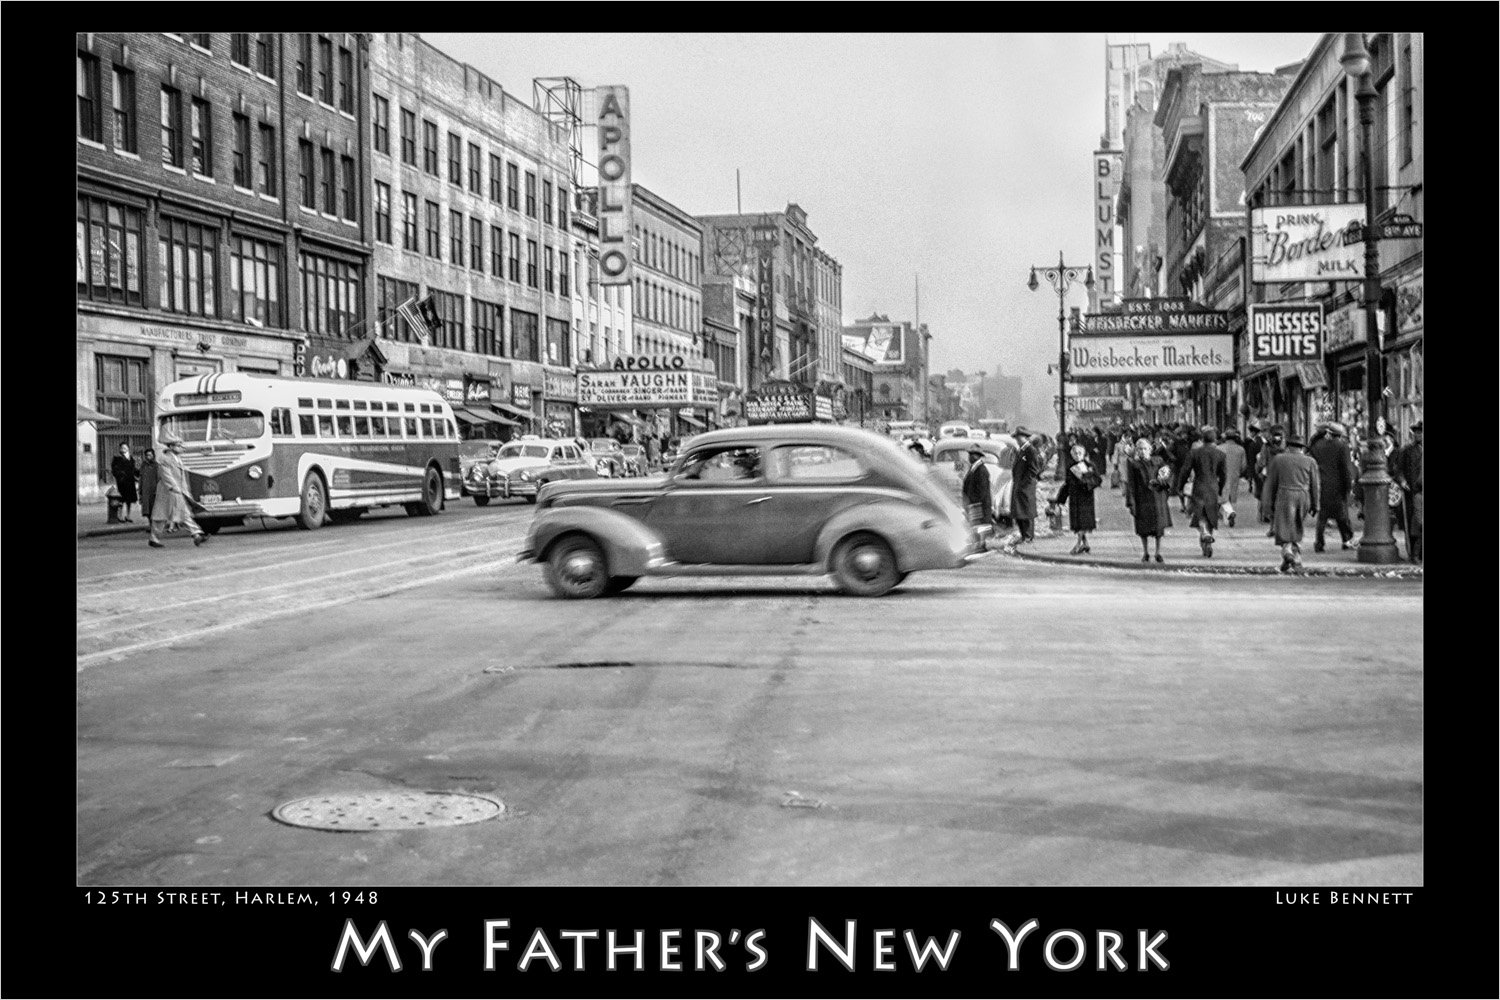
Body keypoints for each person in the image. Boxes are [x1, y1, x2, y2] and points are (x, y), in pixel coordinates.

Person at [1264, 432, 1320, 573]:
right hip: (1303, 496)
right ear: (1302, 447)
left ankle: (1288, 550)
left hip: (1285, 495)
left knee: (1284, 526)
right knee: (1296, 525)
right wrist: (1315, 504)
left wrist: (1267, 503)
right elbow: (1315, 485)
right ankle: (1294, 560)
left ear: (1288, 446)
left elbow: (1271, 483)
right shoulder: (1310, 461)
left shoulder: (1279, 459)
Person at [1176, 426, 1228, 557]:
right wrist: (1220, 488)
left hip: (1199, 486)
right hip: (1213, 487)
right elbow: (1224, 475)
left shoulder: (1194, 453)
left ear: (1203, 439)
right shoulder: (1220, 454)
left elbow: (1185, 471)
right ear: (1215, 440)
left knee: (1199, 513)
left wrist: (1180, 486)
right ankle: (1207, 539)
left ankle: (1204, 532)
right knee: (1211, 513)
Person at [150, 434, 207, 548]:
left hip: (177, 491)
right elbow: (166, 476)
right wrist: (174, 487)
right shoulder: (165, 459)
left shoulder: (178, 459)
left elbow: (181, 477)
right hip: (168, 491)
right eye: (179, 445)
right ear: (171, 447)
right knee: (161, 517)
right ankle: (153, 537)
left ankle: (196, 534)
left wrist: (185, 490)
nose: (182, 447)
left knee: (183, 513)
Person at [1309, 421, 1357, 552]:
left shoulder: (1317, 445)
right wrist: (1349, 487)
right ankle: (1347, 540)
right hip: (1338, 485)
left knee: (1322, 516)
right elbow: (1346, 469)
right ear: (1339, 435)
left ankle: (1319, 543)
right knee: (1342, 515)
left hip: (1321, 484)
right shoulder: (1343, 446)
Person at [1125, 437, 1172, 563]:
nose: (1142, 451)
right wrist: (1131, 502)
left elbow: (1167, 472)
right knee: (1143, 528)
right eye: (1139, 449)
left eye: (1145, 448)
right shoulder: (1133, 464)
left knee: (1158, 527)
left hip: (1157, 498)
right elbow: (1131, 484)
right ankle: (1145, 552)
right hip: (1142, 498)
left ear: (1150, 449)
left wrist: (1163, 481)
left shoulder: (1158, 461)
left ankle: (1158, 552)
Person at [1052, 443, 1101, 555]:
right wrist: (1060, 499)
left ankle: (1078, 544)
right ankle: (1085, 544)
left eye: (1079, 453)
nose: (1077, 455)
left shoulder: (1090, 465)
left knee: (1084, 521)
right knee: (1078, 523)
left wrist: (1086, 480)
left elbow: (1098, 480)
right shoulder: (1070, 468)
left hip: (1086, 499)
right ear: (1072, 455)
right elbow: (1067, 484)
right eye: (1075, 453)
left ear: (1083, 454)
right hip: (1075, 499)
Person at [1391, 420, 1423, 562]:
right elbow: (1398, 471)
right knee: (1414, 525)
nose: (1419, 435)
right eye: (1416, 432)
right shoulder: (1406, 450)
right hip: (1412, 492)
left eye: (1421, 432)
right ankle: (1413, 553)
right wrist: (1403, 481)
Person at [1008, 426, 1044, 544]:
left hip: (1026, 487)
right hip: (1019, 485)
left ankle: (1028, 536)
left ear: (1024, 437)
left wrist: (1024, 483)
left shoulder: (1030, 450)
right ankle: (1024, 535)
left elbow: (1034, 469)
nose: (1017, 440)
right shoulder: (1022, 450)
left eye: (1018, 437)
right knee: (1019, 512)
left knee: (1027, 512)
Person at [1257, 425, 1287, 532]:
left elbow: (1261, 463)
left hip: (1271, 477)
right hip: (1284, 478)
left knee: (1271, 502)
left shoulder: (1266, 447)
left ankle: (1272, 527)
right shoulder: (1287, 447)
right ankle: (1282, 527)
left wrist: (1259, 471)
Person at [961, 445, 994, 541]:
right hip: (974, 506)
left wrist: (973, 503)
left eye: (971, 455)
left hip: (979, 506)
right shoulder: (973, 469)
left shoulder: (981, 470)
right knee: (975, 528)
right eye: (969, 454)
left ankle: (981, 545)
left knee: (980, 528)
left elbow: (982, 492)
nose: (969, 457)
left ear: (977, 456)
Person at [1219, 429, 1248, 528]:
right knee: (1232, 495)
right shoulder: (1241, 449)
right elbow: (1244, 465)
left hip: (1221, 475)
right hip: (1235, 475)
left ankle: (1229, 512)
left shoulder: (1219, 448)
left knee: (1222, 495)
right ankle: (1229, 514)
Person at [110, 442, 140, 522]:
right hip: (122, 482)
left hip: (130, 482)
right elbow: (114, 470)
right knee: (121, 500)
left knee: (129, 500)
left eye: (125, 448)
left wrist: (138, 475)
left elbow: (134, 469)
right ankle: (119, 516)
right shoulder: (117, 458)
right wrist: (120, 476)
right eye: (122, 448)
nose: (123, 449)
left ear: (128, 449)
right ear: (119, 449)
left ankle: (128, 515)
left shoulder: (131, 458)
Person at [137, 448, 159, 527]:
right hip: (145, 490)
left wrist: (158, 489)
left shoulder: (156, 466)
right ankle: (150, 524)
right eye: (147, 455)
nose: (148, 457)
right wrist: (140, 490)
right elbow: (141, 478)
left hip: (154, 490)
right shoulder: (143, 465)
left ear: (153, 455)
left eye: (150, 455)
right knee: (147, 510)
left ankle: (154, 526)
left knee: (154, 509)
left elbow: (159, 478)